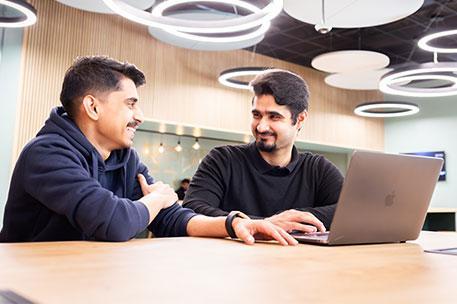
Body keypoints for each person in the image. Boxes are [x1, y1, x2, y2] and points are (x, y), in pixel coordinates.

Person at [0, 56, 297, 246]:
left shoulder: (124, 157)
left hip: (87, 277)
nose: (140, 115)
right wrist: (156, 198)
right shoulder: (47, 154)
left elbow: (171, 218)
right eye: (130, 103)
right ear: (92, 106)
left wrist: (235, 224)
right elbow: (114, 222)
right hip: (26, 284)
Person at [183, 69, 344, 233]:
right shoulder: (223, 160)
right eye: (256, 115)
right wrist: (266, 224)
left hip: (300, 258)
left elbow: (352, 210)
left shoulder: (317, 169)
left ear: (300, 119)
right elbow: (192, 211)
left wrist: (293, 218)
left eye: (274, 117)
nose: (261, 126)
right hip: (236, 257)